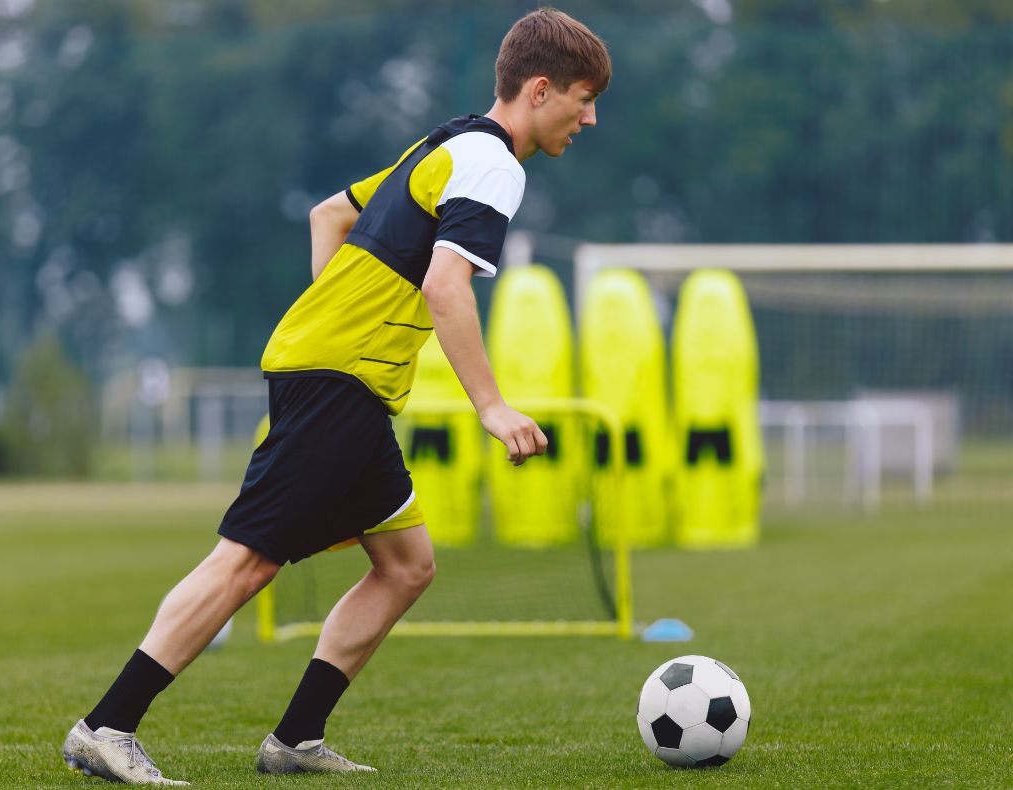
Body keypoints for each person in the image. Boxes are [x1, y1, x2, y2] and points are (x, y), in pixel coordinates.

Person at [62, 8, 610, 784]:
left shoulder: (445, 144)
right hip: (339, 380)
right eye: (584, 100)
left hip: (337, 373)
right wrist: (491, 405)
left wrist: (335, 313)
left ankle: (295, 740)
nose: (590, 119)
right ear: (541, 89)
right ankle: (105, 726)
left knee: (406, 565)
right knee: (248, 562)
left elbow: (332, 212)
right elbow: (446, 288)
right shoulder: (494, 165)